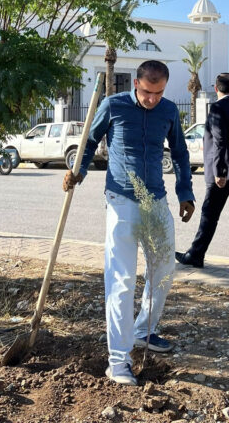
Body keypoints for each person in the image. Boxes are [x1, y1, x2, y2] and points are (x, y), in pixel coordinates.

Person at [65, 60, 194, 386]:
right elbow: (90, 142)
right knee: (122, 281)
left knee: (163, 270)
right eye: (148, 92)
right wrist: (77, 171)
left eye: (160, 92)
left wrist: (185, 192)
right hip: (121, 202)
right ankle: (118, 362)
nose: (153, 99)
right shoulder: (113, 105)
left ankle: (143, 331)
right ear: (136, 84)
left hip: (157, 201)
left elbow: (179, 152)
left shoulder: (167, 111)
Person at [177, 72, 229, 268]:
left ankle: (196, 255)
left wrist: (220, 171)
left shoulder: (218, 107)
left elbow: (220, 140)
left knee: (209, 214)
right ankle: (195, 253)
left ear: (216, 89)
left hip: (221, 173)